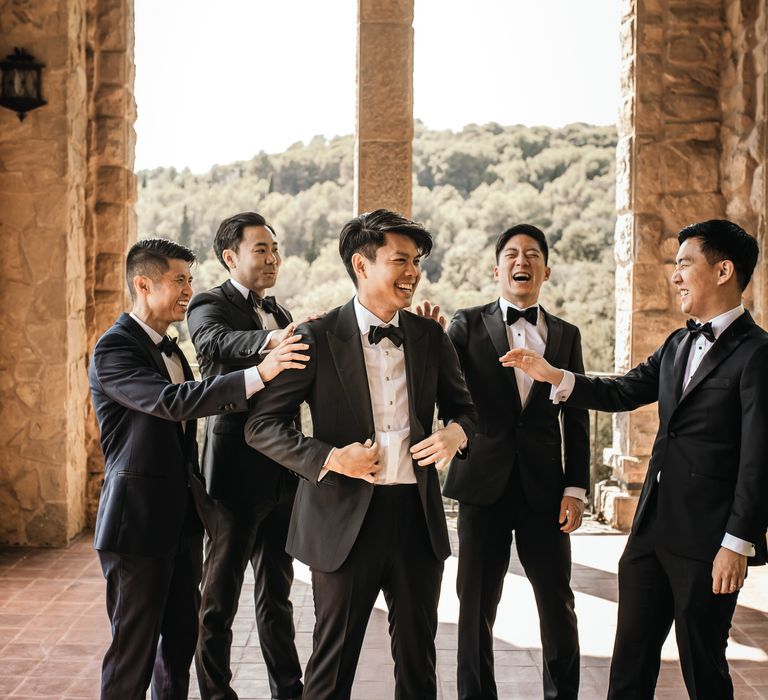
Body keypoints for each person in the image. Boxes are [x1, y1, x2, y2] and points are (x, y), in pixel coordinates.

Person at [501, 219, 768, 699]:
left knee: (704, 671)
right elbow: (622, 390)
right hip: (649, 536)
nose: (676, 275)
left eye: (685, 263)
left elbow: (759, 459)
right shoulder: (677, 343)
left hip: (709, 545)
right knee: (628, 670)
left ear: (724, 270)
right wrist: (554, 375)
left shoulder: (759, 354)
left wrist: (737, 543)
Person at [244, 209, 478, 700]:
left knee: (419, 665)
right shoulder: (314, 337)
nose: (413, 271)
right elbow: (261, 426)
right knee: (331, 668)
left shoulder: (432, 337)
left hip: (418, 521)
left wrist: (456, 434)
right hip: (343, 523)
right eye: (401, 260)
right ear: (362, 264)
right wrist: (331, 458)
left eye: (416, 261)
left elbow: (466, 411)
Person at [89, 238, 308, 700]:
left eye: (190, 279)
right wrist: (260, 373)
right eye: (179, 280)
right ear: (143, 284)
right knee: (134, 652)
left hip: (181, 523)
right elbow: (172, 403)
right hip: (137, 527)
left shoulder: (170, 349)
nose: (189, 289)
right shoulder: (113, 349)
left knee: (178, 647)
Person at [440, 224, 588, 700]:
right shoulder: (464, 324)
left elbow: (577, 415)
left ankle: (561, 694)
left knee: (558, 604)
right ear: (497, 267)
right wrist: (430, 337)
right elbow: (448, 394)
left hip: (546, 491)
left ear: (546, 268)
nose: (521, 261)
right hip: (483, 486)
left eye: (531, 254)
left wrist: (576, 487)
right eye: (511, 254)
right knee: (475, 607)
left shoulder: (566, 335)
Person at [187, 213, 305, 700]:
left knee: (277, 593)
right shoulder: (207, 304)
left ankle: (289, 690)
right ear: (230, 256)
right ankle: (216, 694)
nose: (273, 257)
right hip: (233, 472)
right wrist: (268, 342)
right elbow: (213, 344)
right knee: (219, 596)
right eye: (261, 249)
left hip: (283, 472)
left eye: (275, 249)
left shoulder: (280, 309)